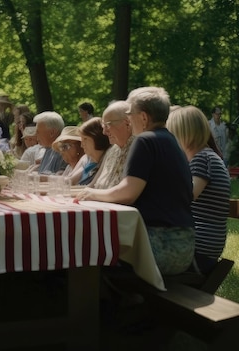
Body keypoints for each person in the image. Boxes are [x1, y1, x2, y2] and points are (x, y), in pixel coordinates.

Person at [76, 87, 195, 275]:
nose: (129, 121)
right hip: (183, 248)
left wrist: (91, 194)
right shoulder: (171, 141)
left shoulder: (145, 140)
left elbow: (128, 194)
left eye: (130, 114)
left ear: (144, 118)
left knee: (85, 251)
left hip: (160, 247)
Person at [166, 105, 231, 274]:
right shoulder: (204, 156)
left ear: (183, 133)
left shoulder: (202, 158)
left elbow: (186, 196)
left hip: (197, 250)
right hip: (197, 245)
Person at [90, 100, 136, 189]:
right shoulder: (112, 151)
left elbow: (126, 194)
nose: (104, 132)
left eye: (107, 125)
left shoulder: (138, 149)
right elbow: (93, 187)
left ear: (127, 123)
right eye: (103, 126)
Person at [78, 117, 111, 186]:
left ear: (97, 138)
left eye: (85, 139)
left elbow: (91, 188)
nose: (81, 145)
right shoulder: (89, 163)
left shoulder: (109, 160)